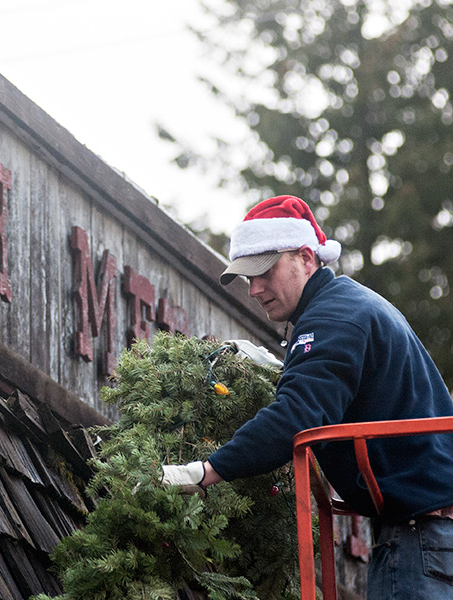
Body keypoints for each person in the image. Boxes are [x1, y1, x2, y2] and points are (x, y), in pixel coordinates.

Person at [161, 195, 453, 599]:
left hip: (422, 538)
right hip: (432, 535)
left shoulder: (333, 318)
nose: (254, 289)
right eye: (248, 278)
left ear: (305, 257)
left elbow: (296, 414)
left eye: (265, 271)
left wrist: (207, 470)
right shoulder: (352, 304)